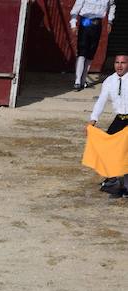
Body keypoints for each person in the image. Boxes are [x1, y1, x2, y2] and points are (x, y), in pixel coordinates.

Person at [88, 54, 128, 196]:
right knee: (109, 149)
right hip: (119, 119)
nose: (119, 65)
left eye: (123, 62)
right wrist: (93, 119)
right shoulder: (109, 81)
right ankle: (113, 181)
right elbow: (101, 101)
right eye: (117, 62)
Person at [71, 0, 115, 90]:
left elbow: (112, 6)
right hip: (85, 21)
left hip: (97, 23)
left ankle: (83, 80)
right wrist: (73, 24)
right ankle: (78, 81)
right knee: (82, 51)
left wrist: (110, 21)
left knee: (91, 53)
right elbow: (76, 8)